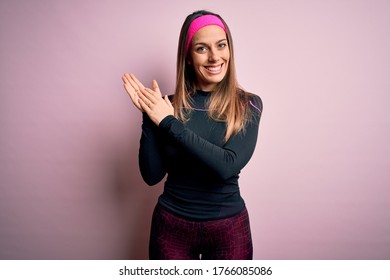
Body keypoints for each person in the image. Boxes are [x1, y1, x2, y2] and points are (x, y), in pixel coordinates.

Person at [121, 10, 263, 260]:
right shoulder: (166, 107)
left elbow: (226, 166)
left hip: (228, 229)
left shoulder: (248, 104)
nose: (214, 57)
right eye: (201, 48)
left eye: (221, 45)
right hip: (171, 227)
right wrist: (149, 113)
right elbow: (152, 176)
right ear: (187, 57)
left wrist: (168, 122)